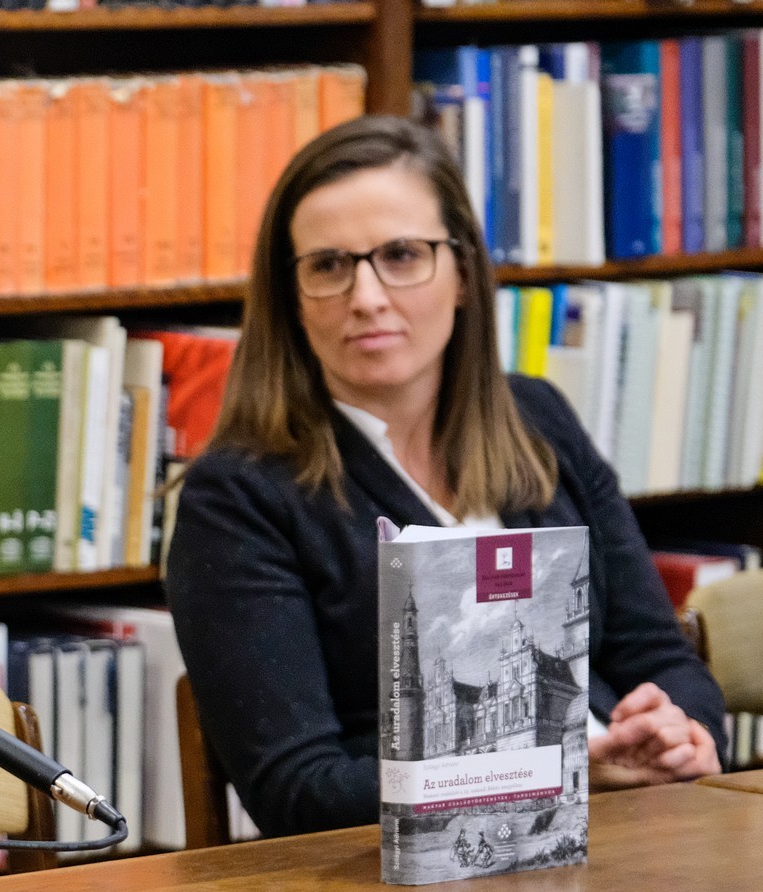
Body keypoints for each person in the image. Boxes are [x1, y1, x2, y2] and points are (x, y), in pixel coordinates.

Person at [166, 115, 724, 839]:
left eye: (402, 255)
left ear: (462, 273)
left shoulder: (539, 421)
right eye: (329, 266)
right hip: (397, 884)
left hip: (624, 838)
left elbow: (663, 661)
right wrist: (559, 772)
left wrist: (679, 731)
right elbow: (297, 792)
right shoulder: (238, 498)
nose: (367, 297)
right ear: (291, 299)